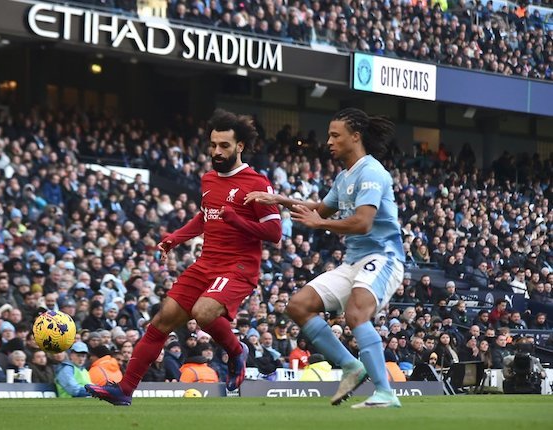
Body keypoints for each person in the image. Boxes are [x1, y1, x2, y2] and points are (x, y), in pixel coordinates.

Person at [85, 109, 281, 406]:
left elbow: (274, 232)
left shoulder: (257, 183)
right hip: (206, 264)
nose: (217, 151)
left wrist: (236, 219)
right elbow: (206, 217)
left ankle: (237, 350)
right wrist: (175, 238)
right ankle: (124, 390)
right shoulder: (208, 180)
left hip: (239, 267)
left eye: (224, 145)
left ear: (240, 146)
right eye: (213, 144)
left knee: (203, 314)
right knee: (162, 321)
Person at [245, 108, 403, 408]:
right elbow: (319, 209)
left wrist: (320, 225)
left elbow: (363, 222)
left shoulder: (371, 171)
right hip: (354, 262)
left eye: (335, 135)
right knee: (298, 305)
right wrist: (278, 199)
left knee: (356, 314)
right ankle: (352, 366)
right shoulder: (345, 176)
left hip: (384, 257)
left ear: (355, 137)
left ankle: (385, 393)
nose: (329, 141)